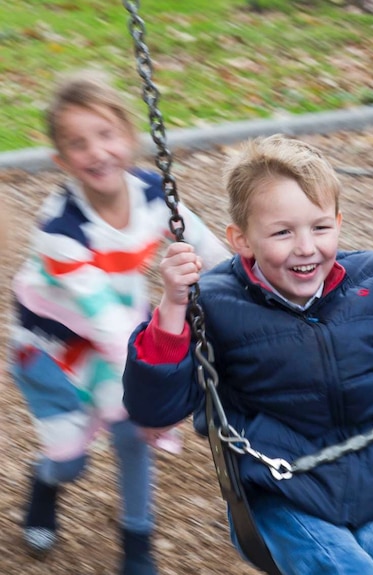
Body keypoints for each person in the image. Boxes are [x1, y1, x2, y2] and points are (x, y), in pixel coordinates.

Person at [122, 135, 373, 575]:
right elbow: (153, 409)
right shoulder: (212, 305)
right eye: (282, 232)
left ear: (339, 223)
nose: (306, 247)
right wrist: (174, 305)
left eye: (320, 227)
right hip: (284, 497)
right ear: (243, 240)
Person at [9, 71, 229, 575]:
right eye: (78, 143)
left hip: (118, 327)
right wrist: (155, 391)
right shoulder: (61, 230)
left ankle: (137, 545)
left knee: (131, 436)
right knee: (72, 460)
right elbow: (103, 323)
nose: (97, 151)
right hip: (55, 346)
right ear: (62, 161)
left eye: (106, 134)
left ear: (128, 139)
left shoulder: (153, 192)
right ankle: (46, 481)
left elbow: (208, 251)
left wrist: (251, 293)